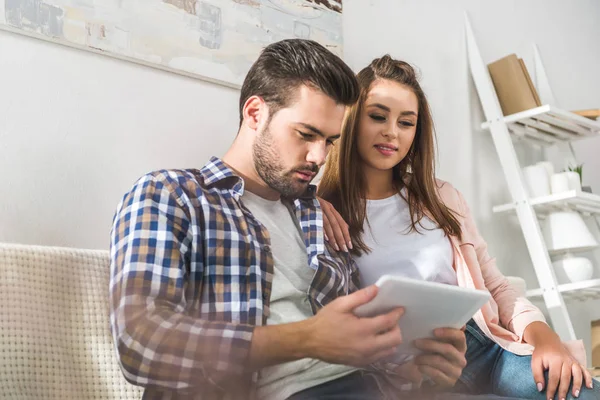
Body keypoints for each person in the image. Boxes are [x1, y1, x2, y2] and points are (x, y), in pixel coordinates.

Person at [109, 39, 481, 400]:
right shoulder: (173, 196)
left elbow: (354, 347)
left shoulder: (320, 216)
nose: (319, 156)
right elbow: (140, 342)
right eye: (306, 134)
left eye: (330, 141)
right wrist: (307, 338)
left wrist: (412, 377)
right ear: (255, 113)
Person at [317, 54, 599, 400]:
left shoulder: (442, 198)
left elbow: (496, 286)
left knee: (583, 393)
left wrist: (547, 340)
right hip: (405, 373)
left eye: (406, 123)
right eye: (378, 116)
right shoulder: (323, 212)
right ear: (351, 120)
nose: (391, 132)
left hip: (482, 346)